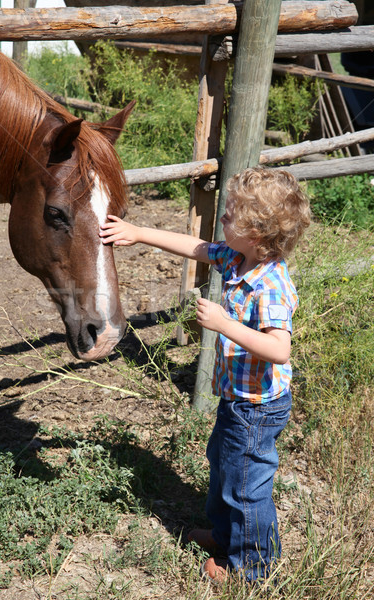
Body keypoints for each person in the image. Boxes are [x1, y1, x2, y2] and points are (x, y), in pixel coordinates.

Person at [99, 167, 311, 584]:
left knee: (246, 486)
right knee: (223, 465)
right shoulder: (237, 256)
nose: (223, 220)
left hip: (258, 407)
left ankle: (253, 567)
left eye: (230, 215)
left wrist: (223, 323)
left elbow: (279, 349)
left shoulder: (270, 284)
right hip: (238, 399)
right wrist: (139, 232)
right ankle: (224, 534)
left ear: (258, 233)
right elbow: (196, 247)